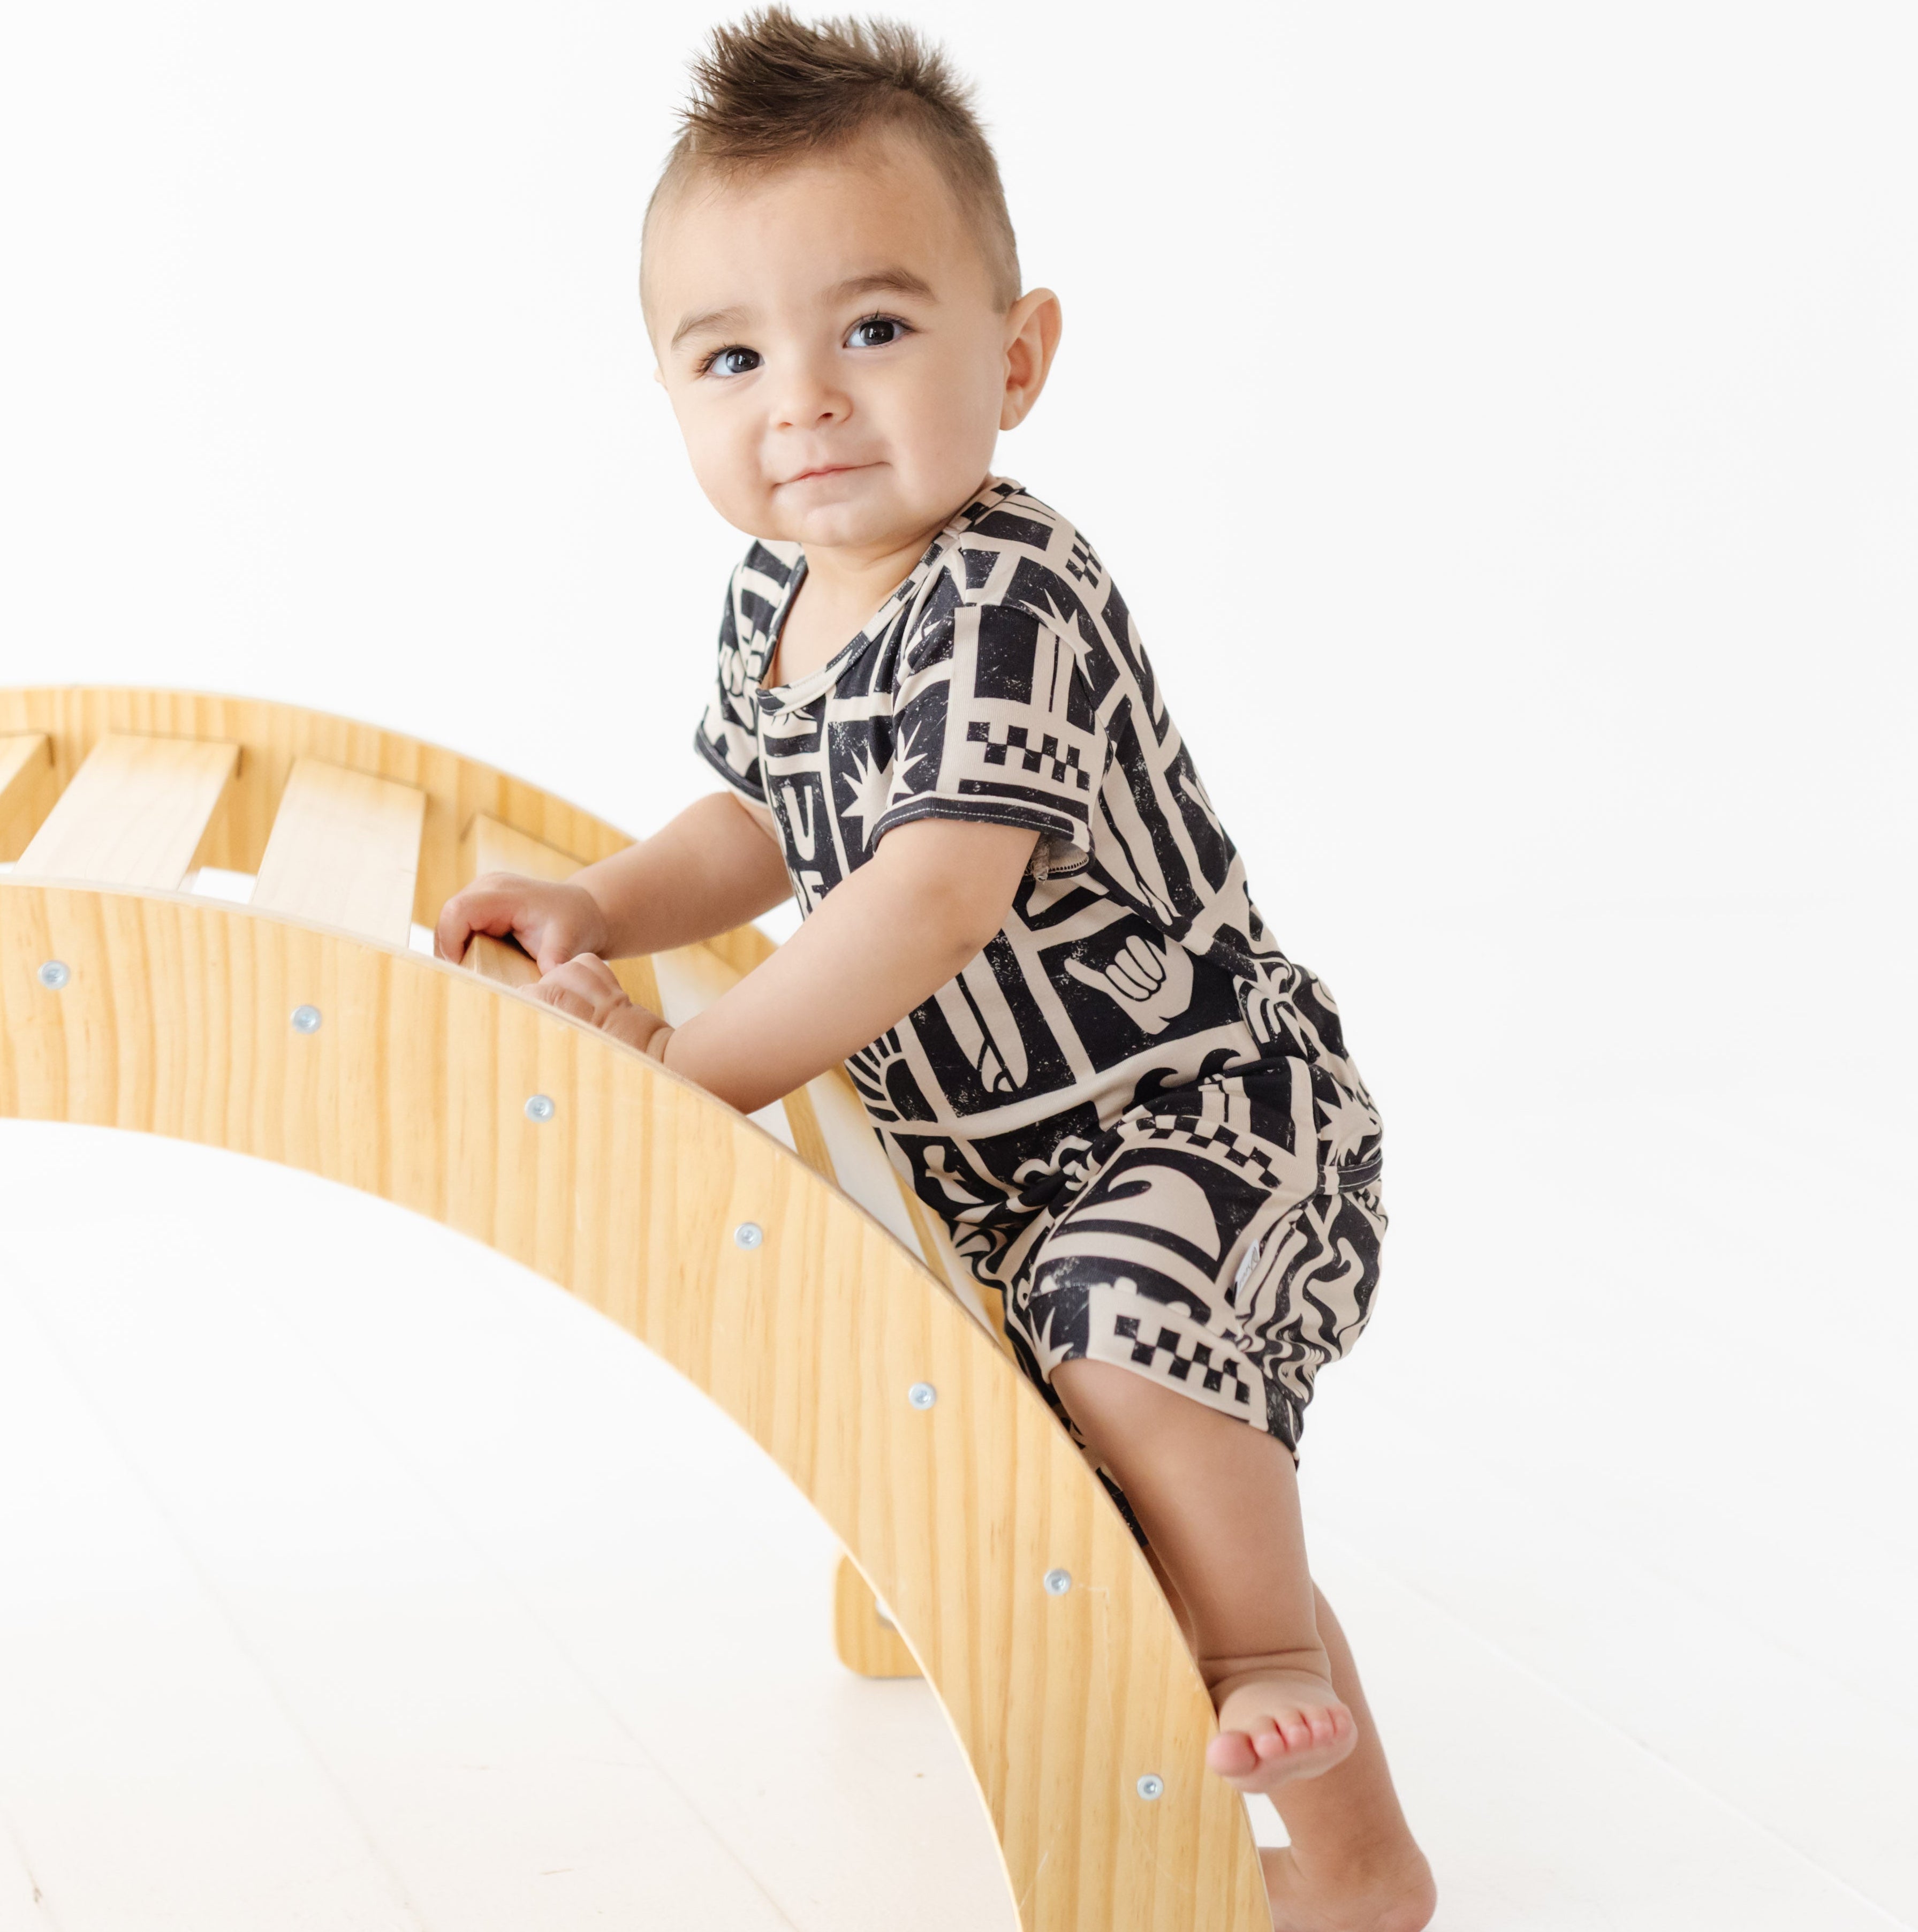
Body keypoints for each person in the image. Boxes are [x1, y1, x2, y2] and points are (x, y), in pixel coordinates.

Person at [435, 12, 1435, 1927]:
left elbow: (922, 903)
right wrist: (602, 903)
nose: (803, 402)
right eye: (732, 357)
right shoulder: (780, 591)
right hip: (1011, 1167)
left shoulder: (1007, 594)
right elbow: (764, 811)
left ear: (1017, 355)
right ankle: (1357, 1863)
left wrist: (687, 1073)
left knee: (1128, 1347)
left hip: (1206, 1115)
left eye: (873, 329)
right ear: (671, 392)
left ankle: (1267, 1687)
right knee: (1082, 1443)